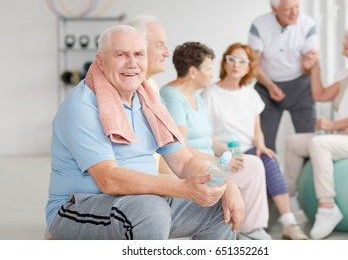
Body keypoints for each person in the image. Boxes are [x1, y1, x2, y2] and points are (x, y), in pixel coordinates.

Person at [45, 25, 244, 240]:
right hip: (79, 207)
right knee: (150, 210)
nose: (132, 63)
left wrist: (225, 184)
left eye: (138, 54)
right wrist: (183, 188)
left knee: (217, 208)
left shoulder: (149, 101)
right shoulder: (82, 104)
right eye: (121, 54)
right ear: (101, 61)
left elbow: (184, 162)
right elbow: (109, 180)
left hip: (142, 202)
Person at [160, 41, 271, 240]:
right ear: (193, 72)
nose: (212, 74)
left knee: (253, 164)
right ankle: (248, 232)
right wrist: (214, 161)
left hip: (210, 161)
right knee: (251, 168)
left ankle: (250, 230)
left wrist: (229, 155)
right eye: (209, 69)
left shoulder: (197, 97)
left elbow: (211, 140)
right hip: (194, 168)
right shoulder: (172, 96)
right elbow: (180, 147)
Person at [201, 42, 308, 240]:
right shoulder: (210, 94)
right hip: (223, 153)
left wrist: (261, 145)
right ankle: (249, 229)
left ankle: (288, 223)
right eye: (232, 59)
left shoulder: (251, 95)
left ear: (249, 67)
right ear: (224, 63)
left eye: (242, 61)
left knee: (269, 159)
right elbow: (206, 133)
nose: (236, 65)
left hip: (249, 149)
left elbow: (257, 131)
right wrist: (223, 151)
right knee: (258, 163)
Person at [284, 26, 348, 239]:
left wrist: (331, 126)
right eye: (345, 38)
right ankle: (289, 198)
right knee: (293, 142)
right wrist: (315, 68)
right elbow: (319, 94)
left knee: (320, 144)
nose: (345, 42)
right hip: (346, 137)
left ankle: (328, 207)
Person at [248, 0, 319, 152]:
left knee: (307, 140)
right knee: (264, 141)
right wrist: (270, 85)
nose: (295, 13)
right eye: (288, 9)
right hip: (267, 86)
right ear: (275, 9)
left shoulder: (308, 24)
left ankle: (305, 178)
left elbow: (309, 68)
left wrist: (309, 66)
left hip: (300, 86)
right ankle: (270, 177)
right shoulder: (259, 25)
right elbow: (253, 64)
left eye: (297, 7)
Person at [127, 14, 170, 174]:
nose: (167, 53)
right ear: (138, 49)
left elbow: (167, 151)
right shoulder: (120, 94)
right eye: (160, 45)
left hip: (155, 176)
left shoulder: (151, 86)